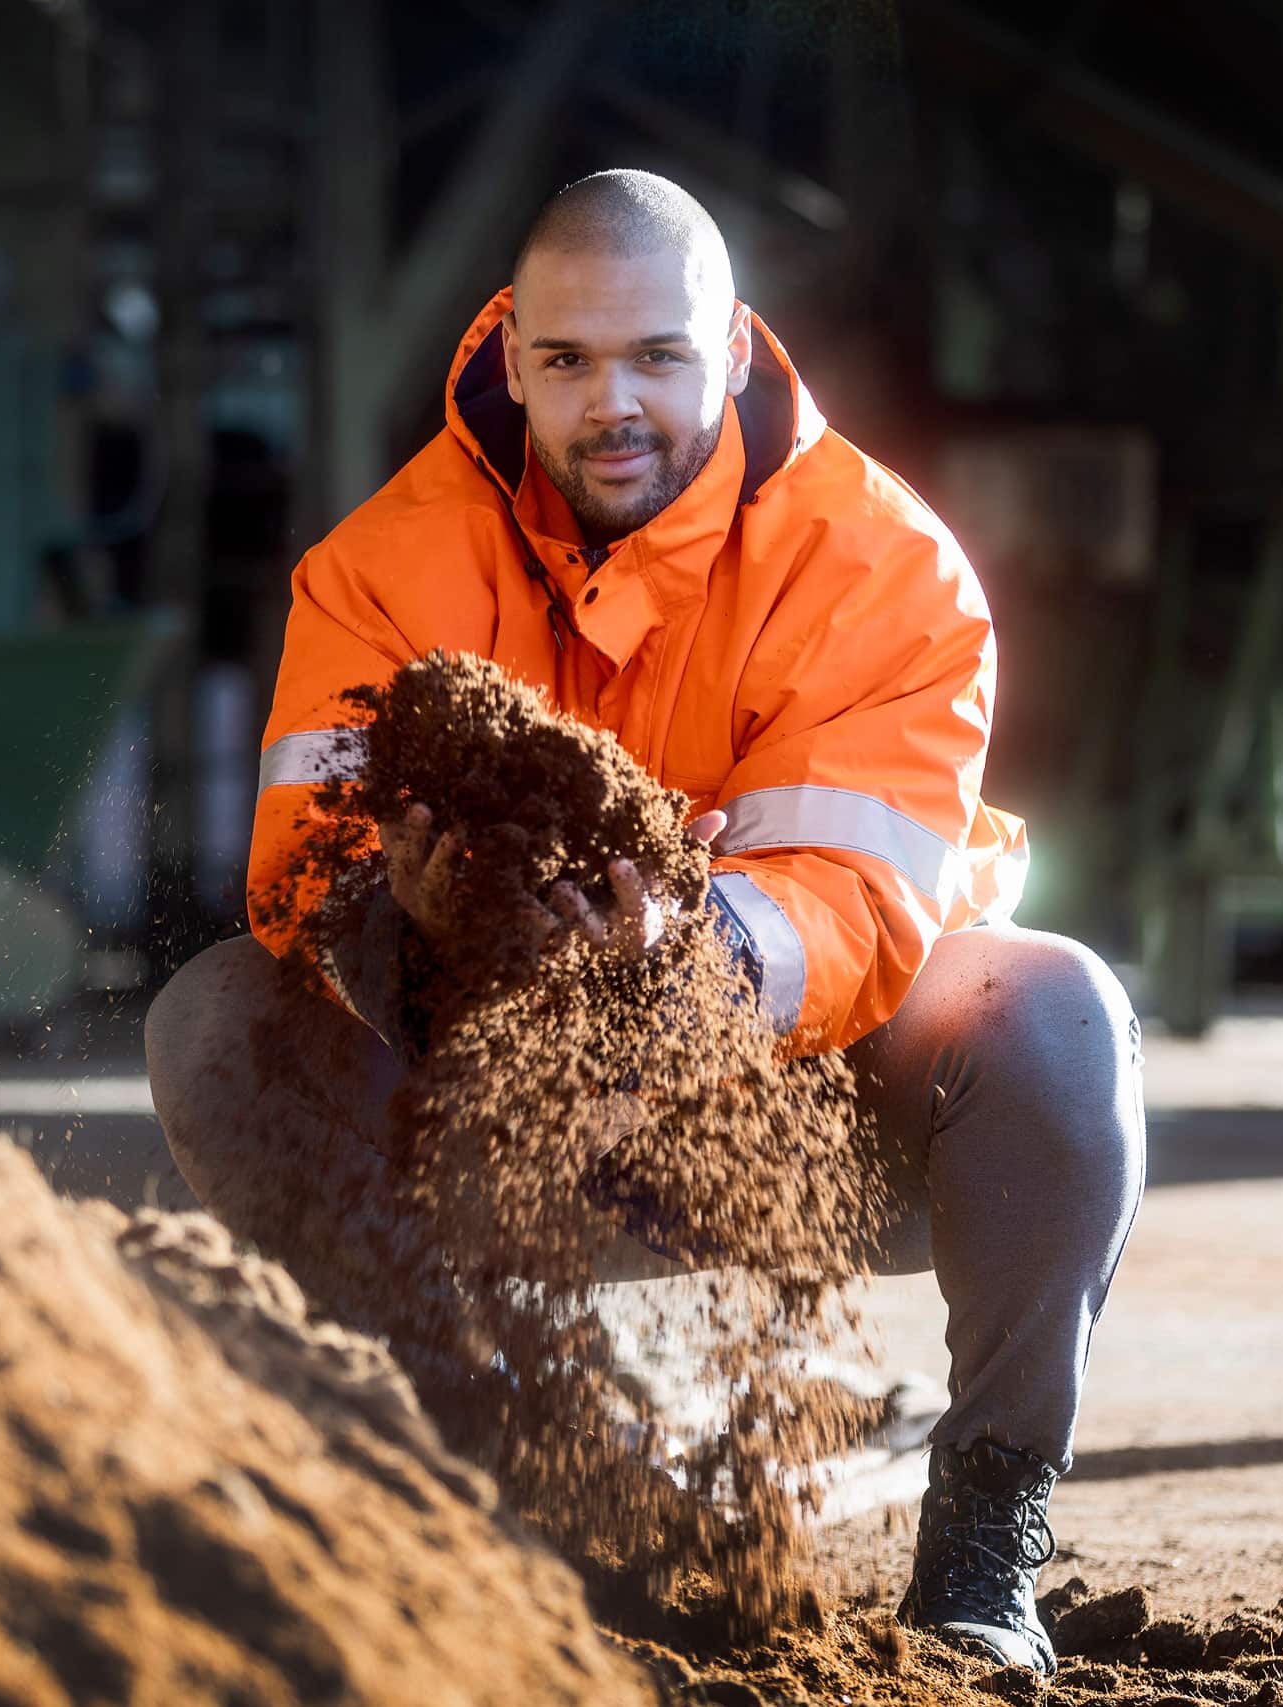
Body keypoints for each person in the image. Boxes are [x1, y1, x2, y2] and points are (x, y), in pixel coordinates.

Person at [145, 170, 1144, 1675]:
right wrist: (405, 937)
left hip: (803, 1102)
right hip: (494, 1107)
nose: (614, 404)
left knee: (1058, 1011)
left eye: (658, 357)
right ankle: (531, 1479)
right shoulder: (379, 569)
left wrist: (692, 961)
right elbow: (301, 865)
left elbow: (862, 901)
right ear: (512, 353)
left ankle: (985, 1546)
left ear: (733, 349)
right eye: (569, 361)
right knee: (215, 1017)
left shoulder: (885, 569)